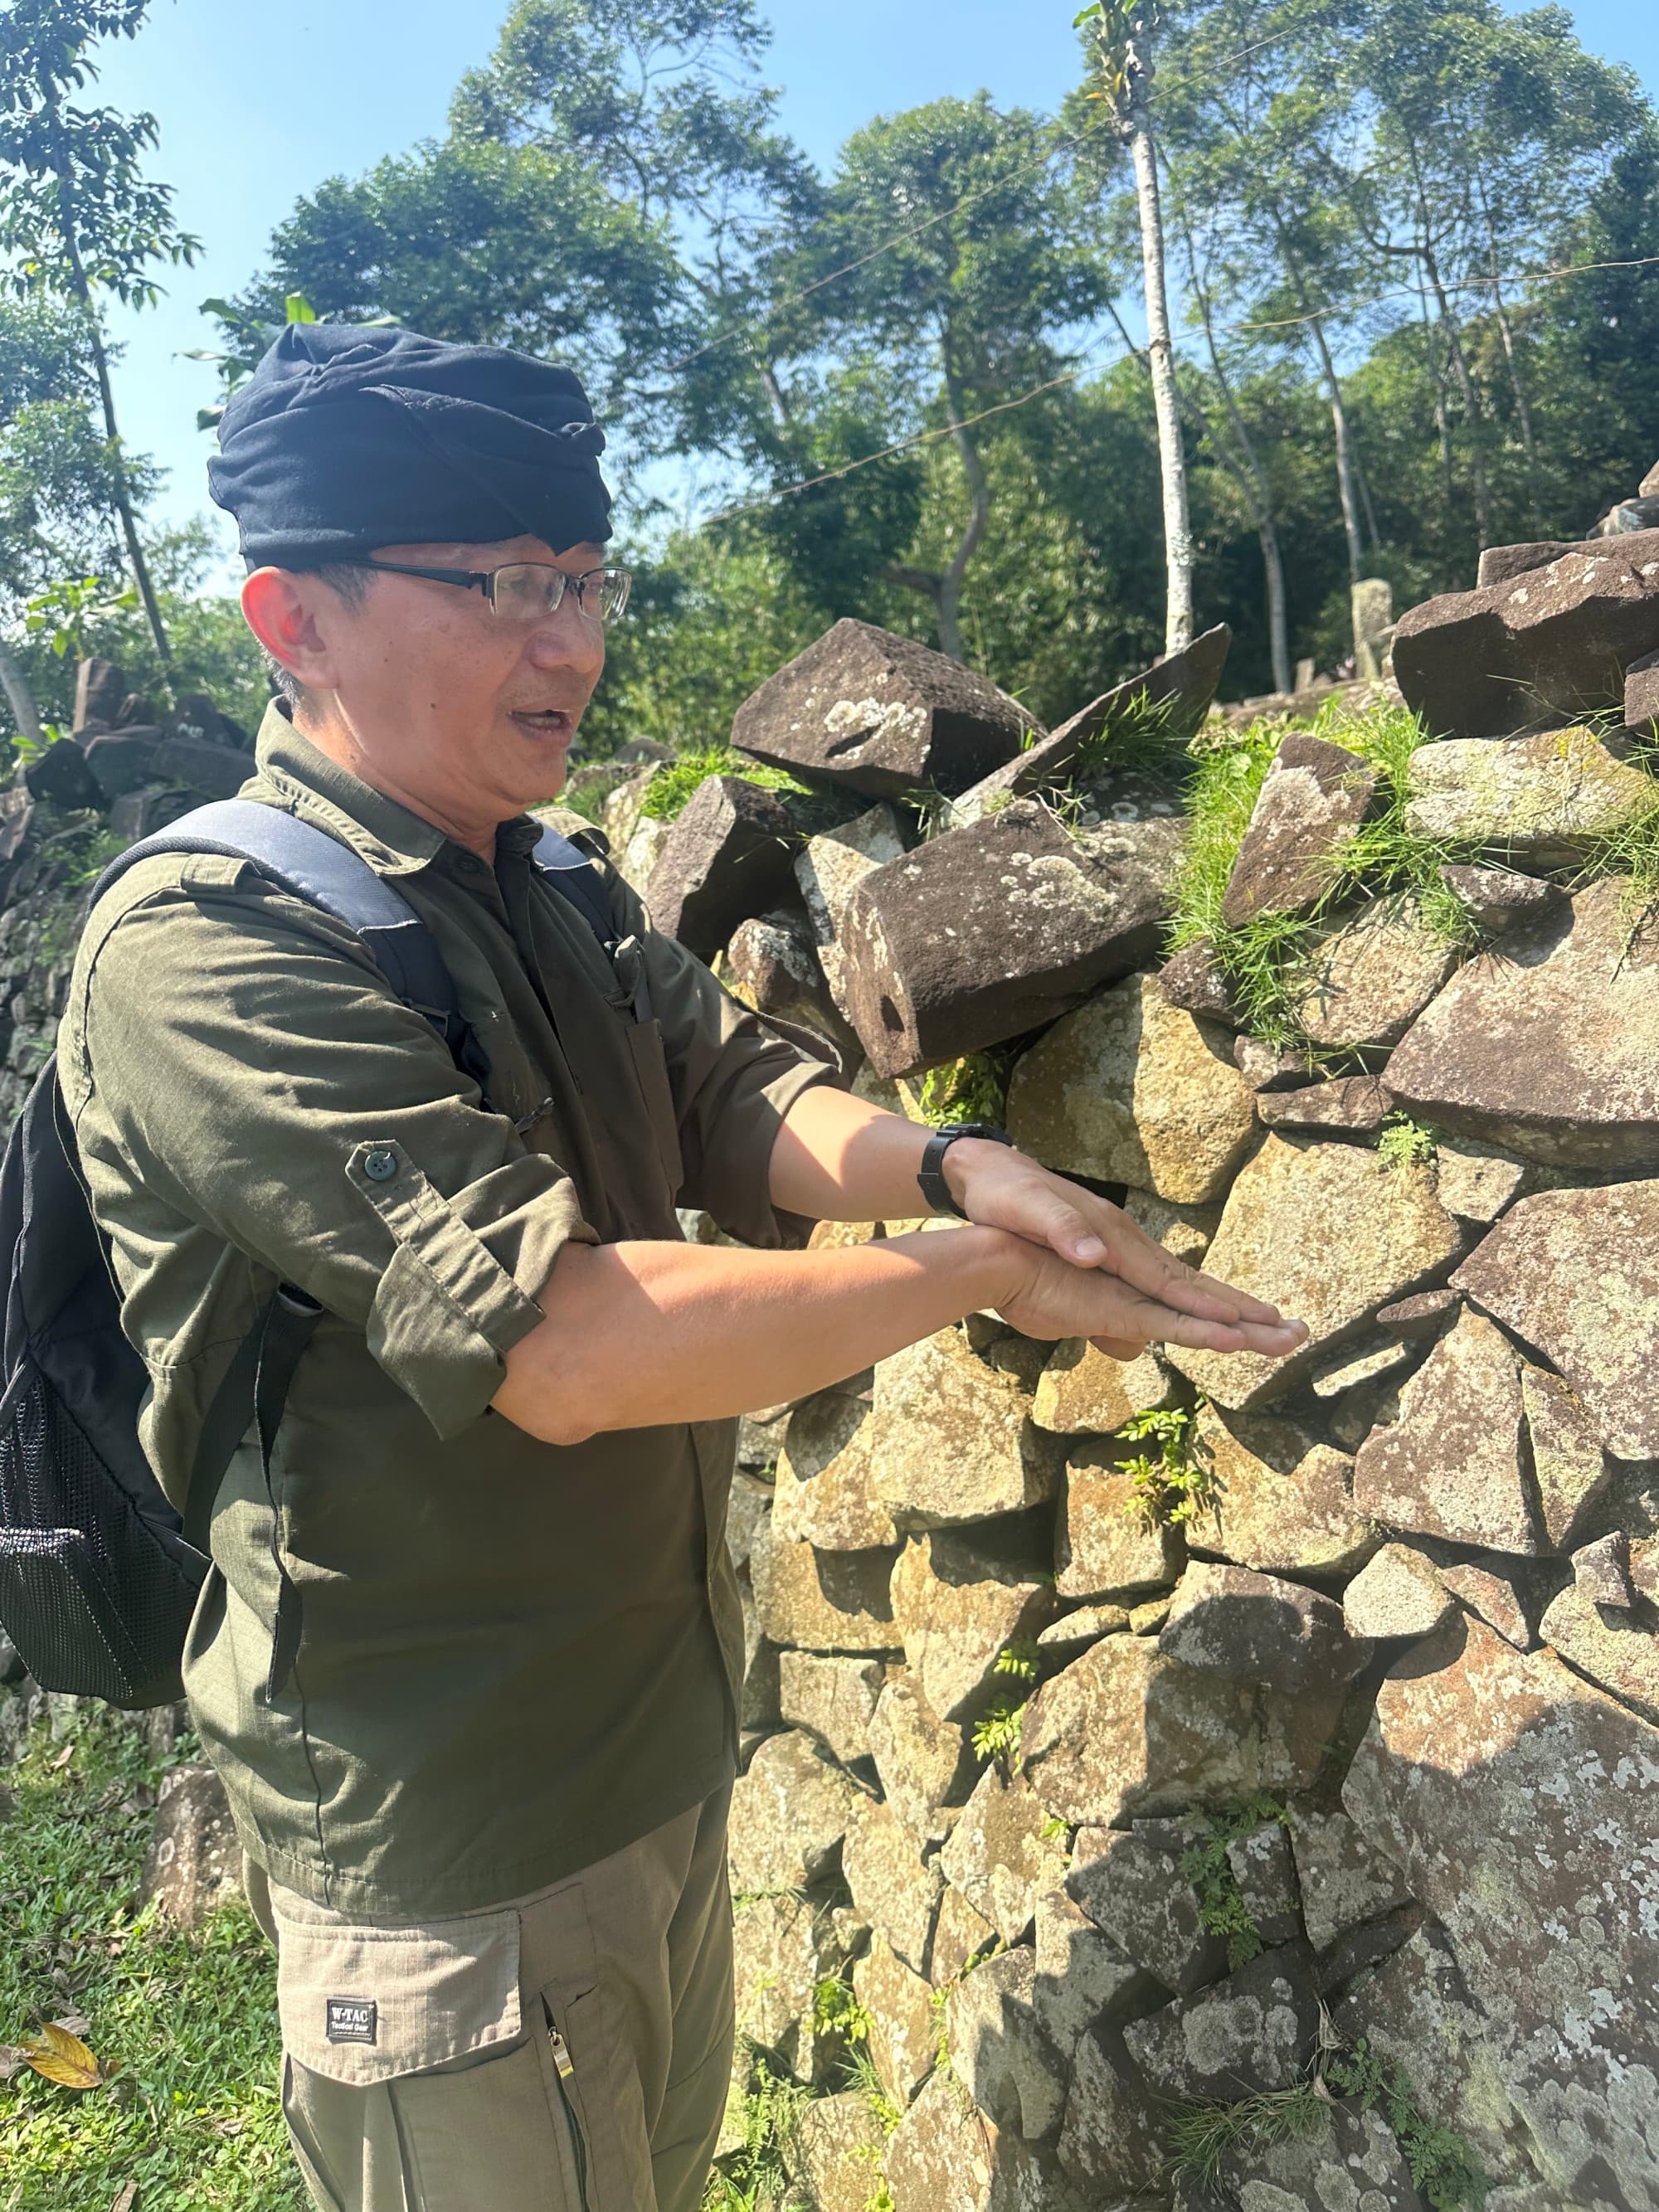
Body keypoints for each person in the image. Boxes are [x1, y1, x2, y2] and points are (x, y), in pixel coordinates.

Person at [59, 323, 1305, 2212]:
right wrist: (971, 1269)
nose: (570, 641)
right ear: (290, 622)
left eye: (582, 579)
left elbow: (734, 1091)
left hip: (646, 1745)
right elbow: (561, 1341)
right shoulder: (208, 948)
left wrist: (963, 1160)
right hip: (450, 1838)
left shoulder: (539, 879)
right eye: (496, 588)